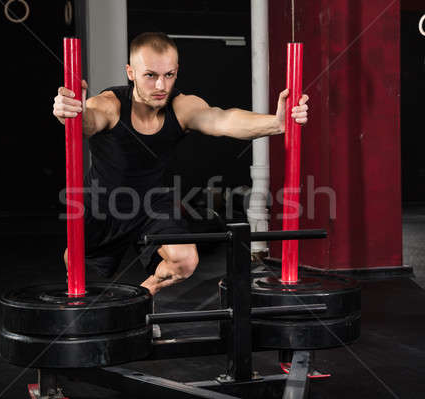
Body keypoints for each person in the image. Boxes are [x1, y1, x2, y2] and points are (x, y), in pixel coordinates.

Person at [53, 32, 309, 297]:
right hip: (104, 201)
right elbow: (88, 122)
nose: (161, 85)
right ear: (130, 72)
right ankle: (115, 299)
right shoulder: (109, 105)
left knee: (185, 261)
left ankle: (137, 301)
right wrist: (72, 113)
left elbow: (223, 120)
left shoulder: (182, 107)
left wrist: (276, 123)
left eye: (169, 75)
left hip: (153, 202)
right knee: (76, 264)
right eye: (150, 75)